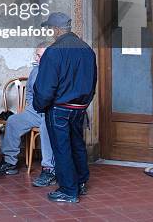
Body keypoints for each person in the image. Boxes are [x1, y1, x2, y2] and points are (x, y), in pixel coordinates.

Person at [33, 13, 97, 204]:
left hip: (59, 108)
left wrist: (40, 106)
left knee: (61, 148)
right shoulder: (87, 50)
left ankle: (69, 190)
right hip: (79, 107)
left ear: (55, 29)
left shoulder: (53, 51)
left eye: (50, 29)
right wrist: (85, 103)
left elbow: (45, 88)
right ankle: (81, 182)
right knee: (77, 144)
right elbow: (92, 82)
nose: (50, 33)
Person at [0, 45, 56, 187]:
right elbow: (29, 93)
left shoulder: (55, 71)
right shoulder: (35, 70)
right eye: (36, 55)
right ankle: (10, 163)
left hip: (49, 113)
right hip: (34, 111)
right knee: (13, 121)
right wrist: (33, 106)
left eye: (40, 56)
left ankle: (49, 169)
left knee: (47, 127)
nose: (37, 58)